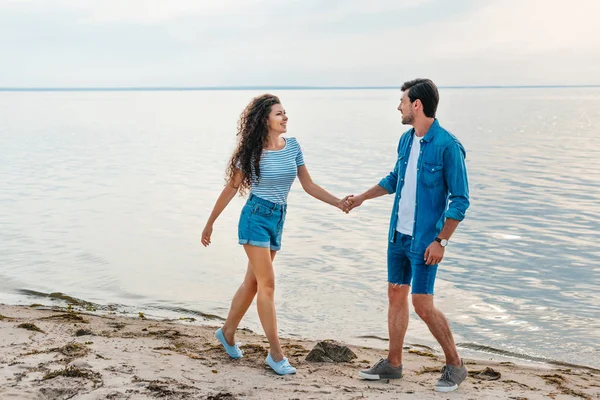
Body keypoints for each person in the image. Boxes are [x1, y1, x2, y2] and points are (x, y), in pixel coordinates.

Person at [201, 94, 347, 375]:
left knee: (253, 283)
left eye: (285, 113)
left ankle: (227, 332)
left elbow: (309, 185)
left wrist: (338, 202)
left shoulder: (293, 147)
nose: (285, 117)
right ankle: (276, 355)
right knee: (267, 284)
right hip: (255, 217)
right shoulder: (251, 151)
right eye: (279, 114)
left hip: (278, 218)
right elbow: (232, 188)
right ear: (264, 120)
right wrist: (210, 223)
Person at [344, 79, 470, 392]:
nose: (398, 106)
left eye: (402, 101)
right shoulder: (405, 140)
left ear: (417, 105)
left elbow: (461, 199)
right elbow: (395, 178)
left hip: (425, 240)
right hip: (398, 236)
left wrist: (441, 241)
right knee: (395, 294)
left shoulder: (447, 146)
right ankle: (394, 364)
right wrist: (362, 197)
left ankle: (455, 364)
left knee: (422, 304)